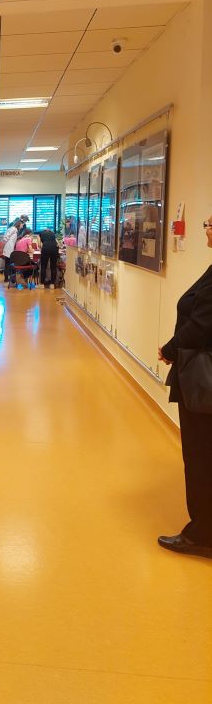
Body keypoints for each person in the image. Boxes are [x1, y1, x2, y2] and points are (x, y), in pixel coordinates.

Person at [158, 215, 212, 559]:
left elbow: (202, 324)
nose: (206, 229)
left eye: (210, 224)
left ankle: (202, 534)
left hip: (203, 379)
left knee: (201, 454)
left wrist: (170, 349)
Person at [2, 218, 22, 283]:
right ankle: (8, 279)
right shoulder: (13, 229)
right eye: (22, 224)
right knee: (8, 264)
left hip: (10, 248)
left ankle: (9, 279)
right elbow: (6, 237)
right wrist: (2, 247)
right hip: (9, 248)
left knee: (8, 264)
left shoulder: (15, 229)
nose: (22, 226)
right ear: (19, 224)